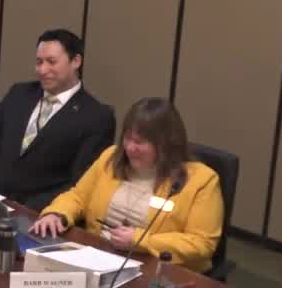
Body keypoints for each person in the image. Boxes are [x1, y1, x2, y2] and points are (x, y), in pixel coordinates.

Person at [30, 97, 223, 273]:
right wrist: (57, 214)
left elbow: (202, 243)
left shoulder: (201, 180)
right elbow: (78, 197)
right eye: (127, 138)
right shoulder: (111, 158)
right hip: (97, 257)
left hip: (159, 271)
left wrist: (140, 240)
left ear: (166, 144)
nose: (130, 148)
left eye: (139, 142)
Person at [0, 29, 115, 210]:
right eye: (39, 62)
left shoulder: (96, 117)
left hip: (37, 213)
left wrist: (25, 210)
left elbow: (79, 184)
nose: (42, 70)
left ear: (76, 61)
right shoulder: (18, 94)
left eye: (51, 62)